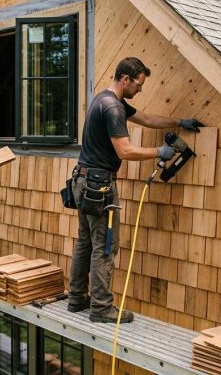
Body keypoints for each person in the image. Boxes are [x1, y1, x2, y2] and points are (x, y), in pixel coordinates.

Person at [68, 57, 204, 323]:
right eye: (138, 85)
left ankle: (77, 298)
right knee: (105, 247)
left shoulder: (105, 100)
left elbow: (148, 118)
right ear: (125, 79)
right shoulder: (113, 109)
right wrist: (160, 152)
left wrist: (179, 121)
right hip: (99, 186)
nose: (140, 90)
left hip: (82, 181)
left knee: (85, 242)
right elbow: (125, 150)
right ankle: (101, 308)